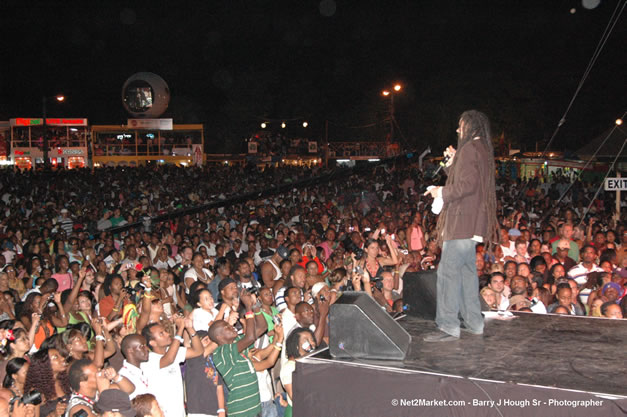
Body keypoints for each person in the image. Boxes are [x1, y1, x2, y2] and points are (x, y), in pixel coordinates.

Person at [423, 110, 499, 342]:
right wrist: (452, 162)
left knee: (447, 273)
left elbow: (467, 185)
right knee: (467, 275)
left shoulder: (470, 150)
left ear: (471, 127)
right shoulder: (481, 148)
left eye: (460, 126)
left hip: (461, 223)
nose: (457, 130)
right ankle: (474, 322)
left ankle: (448, 325)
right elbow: (465, 178)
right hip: (473, 224)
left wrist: (440, 191)